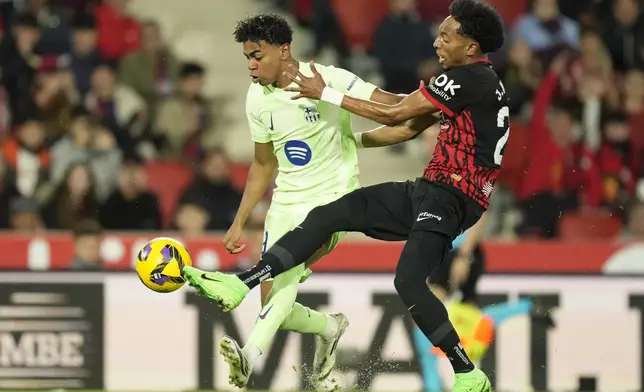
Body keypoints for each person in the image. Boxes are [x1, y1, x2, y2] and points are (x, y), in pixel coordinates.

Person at [183, 1, 506, 390]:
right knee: (331, 214)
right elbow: (405, 130)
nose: (436, 42)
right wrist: (350, 139)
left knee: (408, 281)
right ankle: (244, 283)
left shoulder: (466, 79)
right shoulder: (471, 82)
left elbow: (394, 114)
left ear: (471, 47)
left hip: (453, 197)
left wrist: (326, 94)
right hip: (430, 190)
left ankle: (467, 372)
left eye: (446, 36)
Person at [191, 14, 416, 389]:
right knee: (272, 302)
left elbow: (392, 104)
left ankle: (250, 356)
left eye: (257, 55)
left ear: (284, 50)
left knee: (286, 273)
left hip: (332, 203)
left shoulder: (330, 79)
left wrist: (430, 100)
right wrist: (239, 220)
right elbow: (264, 163)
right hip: (286, 202)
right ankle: (329, 327)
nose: (251, 65)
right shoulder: (256, 98)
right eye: (247, 57)